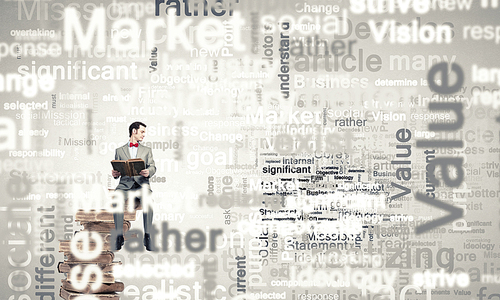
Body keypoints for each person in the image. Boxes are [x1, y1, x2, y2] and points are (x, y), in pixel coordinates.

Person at [111, 121, 156, 251]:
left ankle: (147, 236)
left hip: (142, 184)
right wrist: (115, 174)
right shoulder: (119, 151)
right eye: (142, 132)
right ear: (134, 131)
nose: (144, 135)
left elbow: (152, 166)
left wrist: (149, 172)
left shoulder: (147, 151)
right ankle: (119, 236)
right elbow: (116, 170)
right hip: (125, 184)